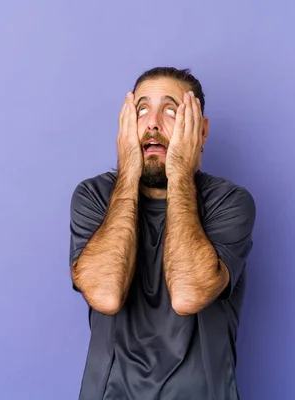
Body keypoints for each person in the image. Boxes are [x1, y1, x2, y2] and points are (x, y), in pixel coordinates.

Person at [69, 67, 256, 400]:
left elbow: (188, 295)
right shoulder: (94, 196)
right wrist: (128, 170)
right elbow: (106, 295)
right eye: (141, 111)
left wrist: (181, 172)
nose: (152, 123)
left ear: (201, 131)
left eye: (171, 111)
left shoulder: (229, 201)